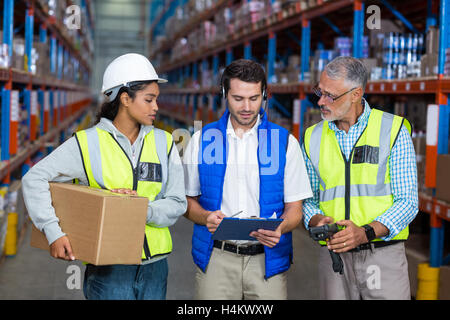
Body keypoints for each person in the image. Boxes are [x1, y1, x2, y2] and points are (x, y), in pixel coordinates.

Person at [22, 53, 187, 300]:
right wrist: (53, 232)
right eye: (149, 99)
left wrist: (142, 210)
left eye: (156, 100)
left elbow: (177, 202)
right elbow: (34, 179)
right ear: (125, 99)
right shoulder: (87, 142)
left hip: (156, 267)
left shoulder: (165, 142)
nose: (156, 107)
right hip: (109, 269)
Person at [182, 59, 313, 300]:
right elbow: (187, 201)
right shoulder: (202, 140)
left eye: (254, 98)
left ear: (264, 94)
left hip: (267, 260)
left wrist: (280, 228)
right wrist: (205, 217)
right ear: (224, 94)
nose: (246, 107)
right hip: (216, 258)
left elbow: (295, 207)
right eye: (238, 98)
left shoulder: (285, 143)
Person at [302, 56, 418, 300]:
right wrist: (315, 219)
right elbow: (307, 199)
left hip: (382, 255)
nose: (321, 101)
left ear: (356, 94)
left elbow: (407, 202)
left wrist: (365, 232)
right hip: (333, 255)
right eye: (319, 92)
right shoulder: (312, 137)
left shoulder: (392, 129)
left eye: (330, 96)